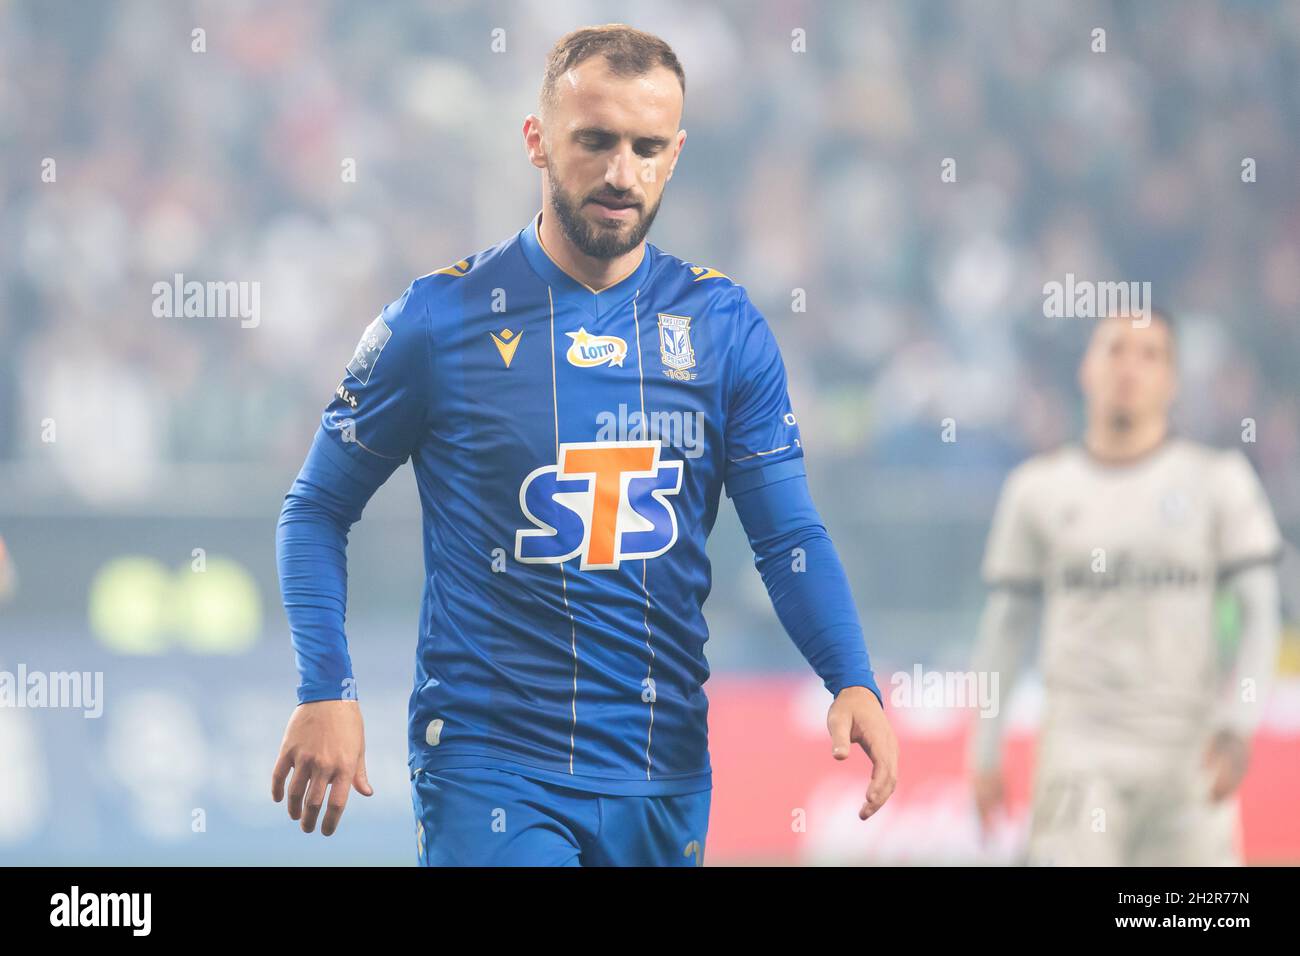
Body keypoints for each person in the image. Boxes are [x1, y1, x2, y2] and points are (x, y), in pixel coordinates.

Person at [272, 23, 896, 866]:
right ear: (536, 141)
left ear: (676, 154)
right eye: (594, 141)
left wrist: (850, 675)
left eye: (645, 148)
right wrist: (326, 689)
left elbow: (785, 537)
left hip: (662, 766)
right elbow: (316, 507)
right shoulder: (437, 321)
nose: (619, 173)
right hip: (492, 768)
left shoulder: (723, 329)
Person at [969, 310, 1282, 865]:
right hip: (1079, 758)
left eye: (1150, 354)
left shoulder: (1219, 482)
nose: (1130, 368)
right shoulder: (1037, 490)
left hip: (1190, 756)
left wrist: (1241, 721)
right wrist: (984, 748)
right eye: (1114, 350)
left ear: (1173, 379)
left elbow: (1262, 613)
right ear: (1086, 369)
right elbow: (1005, 628)